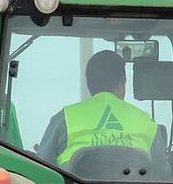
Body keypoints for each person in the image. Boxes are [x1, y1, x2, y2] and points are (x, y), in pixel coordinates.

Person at [37, 49, 165, 173]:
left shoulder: (64, 118)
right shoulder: (147, 122)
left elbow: (41, 169)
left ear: (89, 84)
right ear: (122, 82)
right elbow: (163, 174)